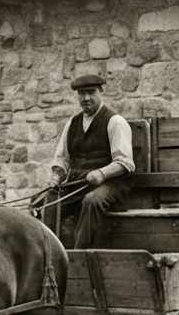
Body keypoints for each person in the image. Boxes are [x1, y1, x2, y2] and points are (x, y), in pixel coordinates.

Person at [43, 70, 134, 249]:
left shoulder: (115, 122)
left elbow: (125, 163)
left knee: (92, 201)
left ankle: (80, 254)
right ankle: (49, 252)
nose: (86, 98)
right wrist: (56, 176)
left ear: (101, 92)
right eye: (81, 94)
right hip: (79, 183)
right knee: (46, 202)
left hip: (111, 184)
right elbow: (62, 158)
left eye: (91, 93)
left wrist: (101, 173)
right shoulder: (73, 123)